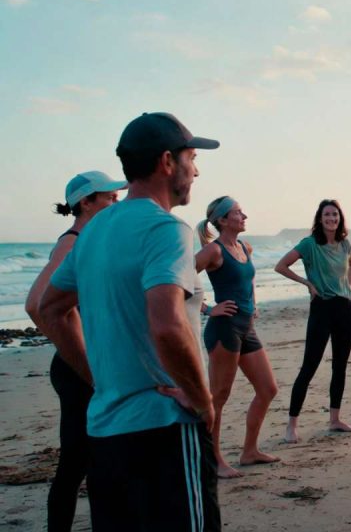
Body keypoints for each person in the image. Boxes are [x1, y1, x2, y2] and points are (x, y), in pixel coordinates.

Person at [38, 112, 221, 531]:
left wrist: (98, 379)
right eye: (191, 157)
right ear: (167, 162)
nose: (196, 169)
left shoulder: (96, 230)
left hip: (106, 433)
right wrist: (202, 401)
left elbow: (50, 310)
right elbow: (167, 324)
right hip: (166, 429)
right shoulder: (167, 230)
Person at [25, 170, 125, 532]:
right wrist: (86, 365)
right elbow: (38, 305)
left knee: (94, 461)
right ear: (86, 202)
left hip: (89, 366)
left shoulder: (93, 240)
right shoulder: (73, 242)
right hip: (77, 369)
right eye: (109, 198)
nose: (116, 204)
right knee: (78, 464)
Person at [195, 196, 280, 478]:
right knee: (218, 397)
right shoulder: (213, 251)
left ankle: (249, 451)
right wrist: (208, 308)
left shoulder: (245, 246)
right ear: (222, 220)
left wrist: (253, 303)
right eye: (237, 212)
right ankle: (214, 460)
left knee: (268, 388)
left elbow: (249, 278)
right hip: (224, 329)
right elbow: (178, 279)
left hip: (247, 327)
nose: (244, 216)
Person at [275, 199, 351, 441]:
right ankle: (292, 425)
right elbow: (281, 266)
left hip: (344, 307)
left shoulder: (345, 244)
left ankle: (335, 419)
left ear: (339, 218)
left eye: (335, 214)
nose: (331, 218)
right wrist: (307, 283)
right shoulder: (309, 244)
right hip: (321, 307)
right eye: (327, 215)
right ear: (319, 219)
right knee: (309, 366)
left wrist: (347, 286)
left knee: (340, 365)